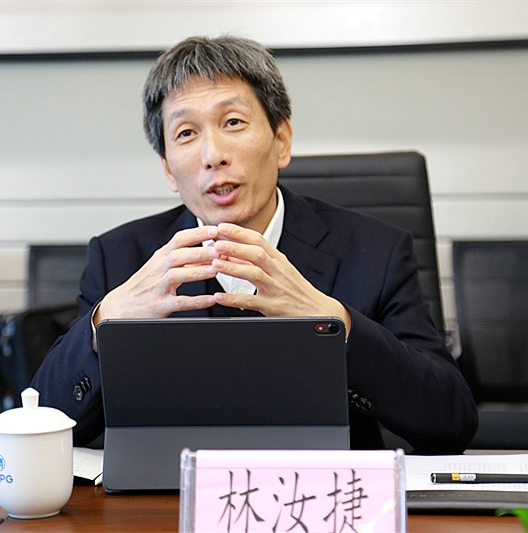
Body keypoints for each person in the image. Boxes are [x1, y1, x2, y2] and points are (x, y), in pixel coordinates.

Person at [32, 35, 478, 453]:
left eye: (233, 122)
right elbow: (44, 424)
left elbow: (450, 421)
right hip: (167, 495)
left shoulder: (376, 251)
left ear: (281, 141)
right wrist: (103, 324)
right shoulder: (121, 259)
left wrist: (335, 323)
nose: (214, 155)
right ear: (168, 169)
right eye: (186, 133)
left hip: (325, 492)